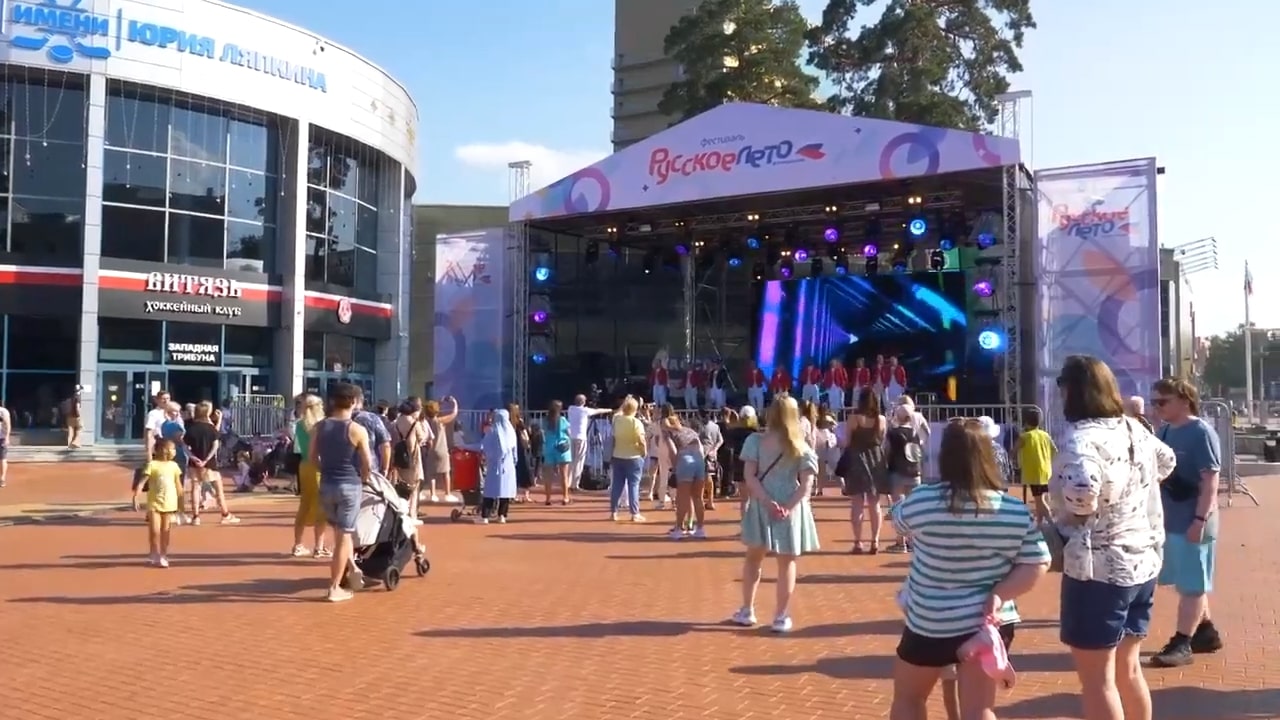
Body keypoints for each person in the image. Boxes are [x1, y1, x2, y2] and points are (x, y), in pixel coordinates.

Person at [890, 418, 1051, 720]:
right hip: (986, 624)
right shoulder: (1014, 510)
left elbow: (898, 521)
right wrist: (1000, 594)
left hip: (930, 620)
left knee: (909, 699)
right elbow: (1038, 561)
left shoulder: (922, 500)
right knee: (979, 709)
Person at [1051, 356, 1176, 720]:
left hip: (1098, 570)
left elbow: (1082, 491)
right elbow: (1167, 461)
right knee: (1128, 669)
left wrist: (1075, 514)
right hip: (1143, 561)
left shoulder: (1081, 438)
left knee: (1097, 681)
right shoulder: (1134, 428)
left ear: (1071, 390)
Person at [1148, 376, 1225, 668]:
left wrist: (1200, 519)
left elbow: (1210, 481)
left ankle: (1182, 643)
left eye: (1162, 402)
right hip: (1171, 519)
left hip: (1195, 519)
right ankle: (1204, 631)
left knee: (1193, 585)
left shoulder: (1201, 433)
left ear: (1184, 400)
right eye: (1154, 402)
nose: (1157, 407)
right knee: (1186, 581)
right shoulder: (1165, 431)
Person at [733, 395, 820, 633]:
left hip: (762, 502)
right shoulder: (801, 447)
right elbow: (806, 486)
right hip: (790, 505)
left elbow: (749, 476)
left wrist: (766, 501)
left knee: (753, 558)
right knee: (787, 562)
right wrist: (788, 507)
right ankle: (780, 616)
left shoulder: (755, 441)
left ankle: (747, 610)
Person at [309, 382, 374, 603]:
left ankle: (352, 570)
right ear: (353, 402)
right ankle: (335, 587)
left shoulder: (319, 427)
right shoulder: (356, 430)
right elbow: (367, 463)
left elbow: (312, 458)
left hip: (327, 485)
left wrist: (325, 470)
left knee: (338, 532)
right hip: (349, 485)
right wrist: (364, 478)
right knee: (344, 537)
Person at [842, 387, 888, 554]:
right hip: (876, 460)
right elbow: (881, 440)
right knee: (874, 503)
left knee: (857, 503)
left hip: (856, 460)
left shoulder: (853, 418)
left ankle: (858, 542)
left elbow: (847, 442)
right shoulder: (881, 420)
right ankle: (875, 540)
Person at [132, 439, 185, 568]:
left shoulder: (174, 466)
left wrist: (181, 504)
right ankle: (154, 551)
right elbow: (142, 482)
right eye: (172, 449)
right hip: (154, 503)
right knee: (155, 530)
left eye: (174, 449)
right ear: (163, 450)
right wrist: (136, 496)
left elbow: (179, 486)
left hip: (169, 503)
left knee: (166, 530)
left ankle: (163, 554)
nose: (174, 452)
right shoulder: (152, 465)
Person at [185, 401, 238, 526]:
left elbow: (185, 446)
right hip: (210, 463)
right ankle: (225, 514)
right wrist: (206, 459)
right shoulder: (211, 429)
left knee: (195, 488)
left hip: (194, 463)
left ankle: (196, 516)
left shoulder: (191, 429)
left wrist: (193, 457)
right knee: (218, 489)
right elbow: (215, 445)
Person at [292, 394, 329, 557]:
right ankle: (319, 546)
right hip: (318, 467)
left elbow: (298, 448)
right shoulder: (321, 425)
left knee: (304, 505)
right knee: (322, 507)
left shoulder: (299, 424)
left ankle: (298, 544)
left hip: (304, 465)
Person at [884, 404, 923, 553]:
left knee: (898, 508)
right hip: (914, 472)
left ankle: (901, 542)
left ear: (897, 416)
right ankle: (912, 542)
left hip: (897, 472)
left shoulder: (893, 433)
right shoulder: (915, 432)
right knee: (913, 509)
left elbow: (887, 450)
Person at [665, 413, 707, 538]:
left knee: (682, 498)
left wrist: (674, 469)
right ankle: (700, 529)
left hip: (684, 460)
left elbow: (673, 453)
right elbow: (701, 449)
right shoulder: (690, 431)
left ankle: (678, 529)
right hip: (699, 461)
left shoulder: (670, 434)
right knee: (698, 497)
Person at [475, 409, 519, 524]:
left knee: (489, 491)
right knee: (505, 492)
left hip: (494, 466)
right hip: (508, 466)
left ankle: (485, 516)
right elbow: (515, 452)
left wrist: (464, 445)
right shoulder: (511, 432)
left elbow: (482, 446)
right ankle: (502, 515)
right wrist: (514, 462)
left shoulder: (492, 431)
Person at [1014, 407, 1056, 526]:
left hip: (1033, 472)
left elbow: (1014, 450)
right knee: (1040, 498)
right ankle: (1040, 523)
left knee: (1039, 500)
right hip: (1046, 471)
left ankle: (1051, 522)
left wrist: (1016, 460)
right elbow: (1054, 450)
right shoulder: (1045, 435)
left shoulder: (1025, 437)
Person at [609, 396, 648, 523]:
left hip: (617, 455)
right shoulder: (636, 422)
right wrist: (644, 452)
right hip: (633, 456)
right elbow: (641, 440)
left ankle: (614, 512)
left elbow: (618, 413)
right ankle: (635, 513)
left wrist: (626, 401)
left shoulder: (617, 420)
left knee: (617, 485)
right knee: (634, 485)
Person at [392, 398, 431, 521]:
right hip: (413, 456)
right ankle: (412, 515)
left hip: (400, 456)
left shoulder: (397, 421)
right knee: (414, 486)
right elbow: (422, 437)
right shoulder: (415, 423)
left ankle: (401, 513)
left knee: (402, 485)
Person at [567, 394, 611, 490]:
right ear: (583, 402)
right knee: (579, 461)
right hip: (581, 438)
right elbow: (598, 411)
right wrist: (609, 410)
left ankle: (567, 483)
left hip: (571, 437)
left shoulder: (571, 409)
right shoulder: (585, 410)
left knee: (571, 461)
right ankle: (575, 485)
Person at [421, 397, 460, 504]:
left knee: (432, 473)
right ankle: (447, 494)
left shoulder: (425, 421)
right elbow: (453, 414)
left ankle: (433, 494)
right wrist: (454, 403)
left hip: (430, 449)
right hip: (442, 449)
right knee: (446, 472)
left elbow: (430, 409)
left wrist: (439, 402)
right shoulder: (440, 421)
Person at [158, 403, 189, 523]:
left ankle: (170, 511)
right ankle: (179, 512)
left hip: (168, 456)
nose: (178, 414)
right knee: (178, 486)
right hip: (178, 455)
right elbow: (180, 439)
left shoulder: (164, 425)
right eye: (176, 411)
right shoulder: (175, 425)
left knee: (169, 485)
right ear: (169, 412)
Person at [352, 388, 391, 476]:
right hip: (370, 470)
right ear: (361, 402)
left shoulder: (331, 421)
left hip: (341, 473)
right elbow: (385, 445)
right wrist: (384, 469)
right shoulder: (372, 418)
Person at [542, 400, 574, 506]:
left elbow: (544, 432)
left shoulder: (545, 420)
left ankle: (548, 498)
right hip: (562, 448)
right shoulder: (562, 420)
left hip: (549, 447)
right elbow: (569, 432)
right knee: (564, 474)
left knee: (548, 475)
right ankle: (565, 497)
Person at [979, 416, 1012, 488]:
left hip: (981, 488)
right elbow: (1006, 472)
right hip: (998, 487)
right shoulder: (1000, 449)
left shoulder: (972, 449)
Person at [0, 401, 9, 488]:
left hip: (2, 438)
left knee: (3, 459)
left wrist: (7, 437)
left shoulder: (3, 411)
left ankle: (2, 478)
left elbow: (8, 424)